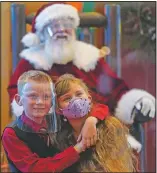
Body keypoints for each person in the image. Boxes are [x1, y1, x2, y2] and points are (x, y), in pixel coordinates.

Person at [8, 2, 155, 151]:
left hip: (102, 126)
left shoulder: (89, 57)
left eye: (67, 24)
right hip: (53, 133)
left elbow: (115, 89)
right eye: (54, 26)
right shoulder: (33, 60)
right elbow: (18, 94)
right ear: (43, 32)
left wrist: (136, 101)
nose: (62, 30)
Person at [2, 70, 106, 173]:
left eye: (46, 97)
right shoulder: (11, 133)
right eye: (33, 96)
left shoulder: (58, 118)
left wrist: (91, 121)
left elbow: (101, 107)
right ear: (18, 100)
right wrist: (78, 148)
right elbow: (36, 169)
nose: (40, 102)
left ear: (52, 102)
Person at [53, 74, 138, 172]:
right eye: (67, 98)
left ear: (89, 98)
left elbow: (115, 167)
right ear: (59, 109)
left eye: (79, 94)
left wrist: (91, 120)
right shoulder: (57, 137)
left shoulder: (109, 127)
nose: (75, 100)